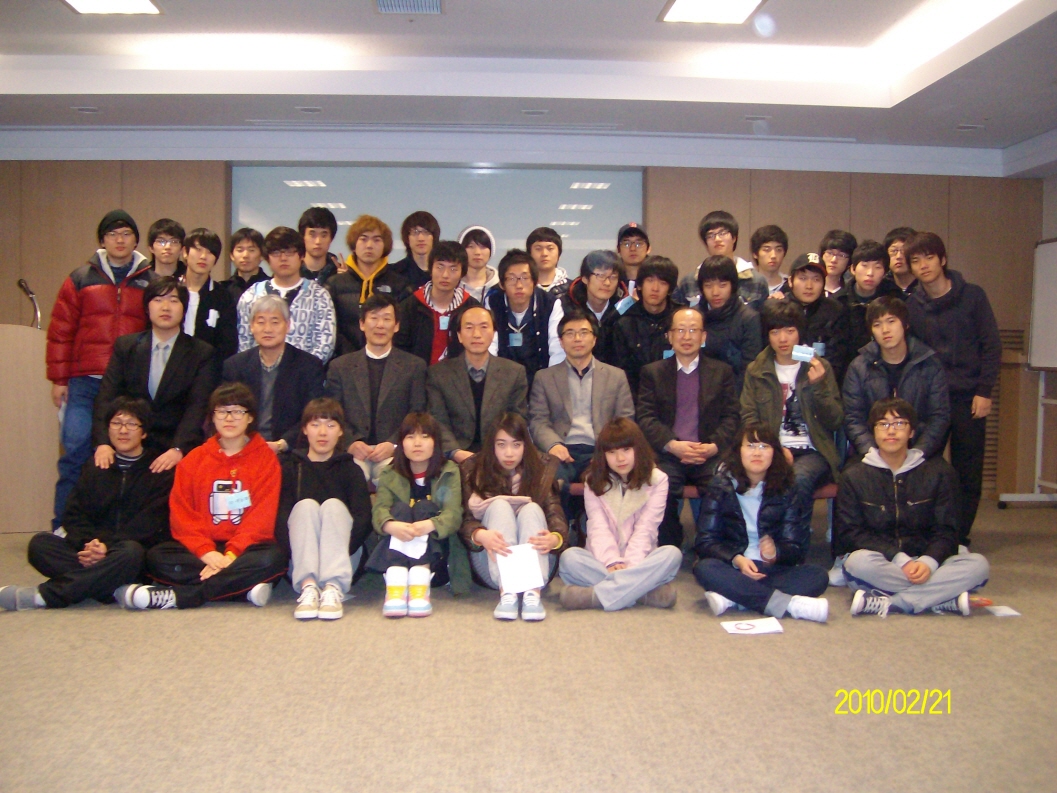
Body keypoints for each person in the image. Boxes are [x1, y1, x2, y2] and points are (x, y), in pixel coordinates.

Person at [0, 398, 173, 611]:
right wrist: (90, 545)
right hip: (92, 549)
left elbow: (149, 524)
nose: (123, 430)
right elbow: (73, 516)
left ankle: (44, 596)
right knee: (40, 544)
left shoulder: (159, 469)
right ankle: (111, 588)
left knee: (131, 553)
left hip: (128, 553)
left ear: (144, 432)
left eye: (131, 424)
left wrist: (107, 548)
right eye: (116, 423)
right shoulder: (95, 466)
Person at [129, 383, 287, 609]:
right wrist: (207, 554)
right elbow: (182, 515)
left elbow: (261, 517)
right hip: (202, 549)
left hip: (244, 550)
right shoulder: (194, 460)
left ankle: (179, 596)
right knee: (157, 557)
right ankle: (241, 590)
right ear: (212, 417)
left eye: (237, 411)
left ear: (250, 417)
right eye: (222, 411)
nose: (229, 418)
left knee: (273, 558)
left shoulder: (265, 460)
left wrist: (230, 556)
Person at [47, 209, 156, 531]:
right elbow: (61, 331)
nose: (119, 240)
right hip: (85, 381)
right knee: (75, 450)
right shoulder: (81, 278)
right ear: (102, 240)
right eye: (112, 234)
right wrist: (59, 379)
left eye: (126, 234)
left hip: (127, 385)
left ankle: (110, 527)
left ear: (136, 240)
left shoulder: (149, 281)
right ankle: (62, 526)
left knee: (125, 454)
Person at [838, 398, 990, 617]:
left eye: (899, 423)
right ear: (873, 432)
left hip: (929, 559)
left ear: (912, 432)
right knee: (857, 563)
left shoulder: (939, 473)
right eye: (883, 424)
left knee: (978, 565)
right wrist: (900, 560)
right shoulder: (853, 476)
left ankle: (896, 602)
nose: (891, 431)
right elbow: (851, 533)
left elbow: (948, 530)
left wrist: (929, 562)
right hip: (885, 562)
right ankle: (941, 598)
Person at [906, 231, 1001, 547]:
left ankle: (959, 536)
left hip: (969, 396)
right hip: (929, 398)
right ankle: (928, 532)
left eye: (929, 257)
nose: (923, 265)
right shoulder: (912, 306)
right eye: (916, 260)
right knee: (923, 465)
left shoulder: (972, 296)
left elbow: (991, 345)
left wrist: (984, 390)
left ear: (943, 259)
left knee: (967, 469)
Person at [692, 424, 829, 622]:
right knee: (704, 568)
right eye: (750, 446)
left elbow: (795, 548)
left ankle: (733, 598)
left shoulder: (788, 488)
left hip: (770, 570)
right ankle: (789, 605)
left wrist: (775, 553)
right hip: (734, 567)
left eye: (764, 446)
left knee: (817, 576)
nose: (757, 453)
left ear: (775, 453)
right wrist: (736, 559)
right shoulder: (720, 485)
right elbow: (705, 542)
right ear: (738, 451)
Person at [742, 300, 844, 550]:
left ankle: (791, 549)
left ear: (800, 332)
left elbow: (835, 420)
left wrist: (818, 387)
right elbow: (749, 418)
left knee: (797, 479)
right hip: (770, 448)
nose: (783, 338)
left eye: (790, 330)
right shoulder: (756, 370)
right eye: (775, 331)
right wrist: (775, 449)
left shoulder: (818, 366)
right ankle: (759, 543)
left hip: (812, 451)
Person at [637, 308, 740, 548]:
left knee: (720, 485)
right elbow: (646, 417)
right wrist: (672, 445)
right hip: (669, 453)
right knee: (660, 485)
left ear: (703, 337)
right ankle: (670, 546)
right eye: (680, 330)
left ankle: (711, 546)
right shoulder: (652, 372)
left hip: (708, 453)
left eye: (693, 330)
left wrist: (713, 446)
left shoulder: (722, 372)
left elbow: (731, 417)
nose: (686, 336)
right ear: (669, 336)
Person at [92, 277, 216, 474]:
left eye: (173, 300)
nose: (165, 307)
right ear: (147, 307)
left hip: (174, 443)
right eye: (158, 300)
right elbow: (106, 397)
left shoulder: (201, 353)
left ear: (184, 309)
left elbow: (197, 406)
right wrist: (103, 443)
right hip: (130, 442)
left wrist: (178, 448)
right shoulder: (126, 347)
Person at [557, 418, 682, 611]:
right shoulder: (593, 481)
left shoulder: (658, 480)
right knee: (569, 558)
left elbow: (647, 528)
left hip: (641, 559)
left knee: (672, 555)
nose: (620, 458)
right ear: (603, 455)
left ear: (638, 449)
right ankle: (643, 593)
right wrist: (612, 561)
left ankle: (595, 597)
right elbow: (597, 527)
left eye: (626, 449)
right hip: (603, 560)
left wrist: (630, 565)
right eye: (612, 452)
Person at [459, 413, 567, 621]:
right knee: (499, 505)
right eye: (501, 445)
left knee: (531, 509)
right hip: (490, 561)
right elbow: (464, 520)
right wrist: (480, 535)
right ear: (492, 446)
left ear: (525, 446)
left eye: (516, 445)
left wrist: (555, 539)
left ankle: (532, 594)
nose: (509, 453)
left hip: (539, 563)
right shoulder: (473, 469)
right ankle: (507, 592)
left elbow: (556, 516)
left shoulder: (541, 468)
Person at [277, 399, 372, 621]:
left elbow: (363, 519)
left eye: (330, 425)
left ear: (341, 431)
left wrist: (334, 552)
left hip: (343, 558)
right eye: (315, 424)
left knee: (333, 506)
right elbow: (280, 519)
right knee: (305, 506)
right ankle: (308, 587)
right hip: (300, 561)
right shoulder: (291, 467)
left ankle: (333, 588)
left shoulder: (351, 469)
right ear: (304, 429)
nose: (322, 432)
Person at [325, 292, 428, 485]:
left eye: (387, 319)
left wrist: (394, 444)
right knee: (351, 479)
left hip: (395, 452)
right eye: (374, 318)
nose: (380, 325)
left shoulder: (414, 366)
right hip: (353, 452)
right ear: (362, 324)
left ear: (396, 326)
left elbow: (417, 412)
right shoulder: (340, 367)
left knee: (392, 481)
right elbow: (332, 413)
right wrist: (350, 442)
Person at [367, 412, 463, 618]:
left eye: (425, 436)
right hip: (399, 548)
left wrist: (428, 525)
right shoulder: (390, 473)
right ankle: (396, 587)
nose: (417, 443)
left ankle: (420, 584)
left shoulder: (449, 470)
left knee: (423, 508)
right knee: (400, 511)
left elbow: (454, 515)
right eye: (410, 437)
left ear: (436, 442)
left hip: (437, 558)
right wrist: (391, 525)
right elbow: (379, 510)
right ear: (401, 443)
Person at [530, 308, 635, 489]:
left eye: (584, 333)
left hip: (601, 449)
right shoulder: (544, 377)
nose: (577, 339)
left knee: (603, 483)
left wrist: (607, 450)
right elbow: (538, 421)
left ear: (594, 339)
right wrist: (553, 445)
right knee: (552, 483)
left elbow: (625, 420)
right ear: (561, 341)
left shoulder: (616, 376)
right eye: (570, 333)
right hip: (560, 449)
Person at [843, 296, 949, 460]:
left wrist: (919, 452)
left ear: (905, 325)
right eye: (877, 324)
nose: (885, 330)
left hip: (920, 453)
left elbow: (939, 417)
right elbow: (853, 418)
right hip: (872, 453)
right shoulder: (859, 367)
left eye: (891, 321)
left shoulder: (930, 365)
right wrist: (871, 452)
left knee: (944, 474)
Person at [222, 294, 325, 454]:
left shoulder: (309, 366)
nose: (267, 329)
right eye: (261, 322)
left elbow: (312, 414)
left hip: (292, 451)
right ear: (251, 326)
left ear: (288, 325)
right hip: (243, 447)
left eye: (275, 322)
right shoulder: (235, 366)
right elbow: (227, 412)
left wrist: (282, 444)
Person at [427, 306, 529, 463]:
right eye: (469, 328)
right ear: (459, 336)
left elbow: (517, 419)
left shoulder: (514, 373)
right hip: (453, 457)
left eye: (483, 327)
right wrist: (455, 452)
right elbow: (437, 420)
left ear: (494, 333)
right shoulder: (439, 374)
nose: (476, 334)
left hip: (500, 455)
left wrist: (499, 451)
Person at [236, 226, 336, 363]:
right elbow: (244, 342)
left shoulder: (319, 296)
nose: (283, 258)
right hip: (258, 373)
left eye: (289, 252)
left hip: (305, 373)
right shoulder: (251, 295)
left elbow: (325, 344)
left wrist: (301, 370)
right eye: (276, 253)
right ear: (267, 258)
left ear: (301, 256)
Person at [327, 214, 411, 355]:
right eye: (363, 239)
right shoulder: (334, 284)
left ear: (385, 245)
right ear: (354, 244)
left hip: (389, 361)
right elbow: (330, 330)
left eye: (376, 240)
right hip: (343, 361)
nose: (369, 245)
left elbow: (404, 331)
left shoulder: (401, 285)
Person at [602, 255, 680, 399]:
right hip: (635, 398)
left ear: (670, 289)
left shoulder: (681, 319)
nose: (655, 288)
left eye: (662, 282)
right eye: (650, 280)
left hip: (677, 396)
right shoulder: (625, 323)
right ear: (639, 285)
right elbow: (620, 373)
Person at [395, 240, 480, 366]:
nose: (445, 275)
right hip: (417, 375)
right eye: (440, 267)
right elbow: (399, 352)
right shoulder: (409, 306)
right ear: (430, 269)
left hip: (460, 376)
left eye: (453, 269)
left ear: (462, 273)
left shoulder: (472, 307)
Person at [484, 248, 555, 389]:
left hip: (542, 379)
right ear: (502, 284)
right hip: (502, 380)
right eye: (511, 279)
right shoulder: (493, 303)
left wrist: (549, 386)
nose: (519, 286)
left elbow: (556, 348)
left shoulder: (550, 304)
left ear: (535, 281)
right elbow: (490, 345)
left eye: (525, 278)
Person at [779, 252, 852, 385]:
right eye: (803, 278)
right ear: (790, 281)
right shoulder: (779, 310)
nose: (809, 286)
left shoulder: (835, 311)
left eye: (816, 279)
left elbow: (836, 358)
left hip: (822, 381)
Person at [696, 255, 763, 394]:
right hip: (697, 392)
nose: (715, 292)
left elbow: (749, 369)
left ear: (733, 286)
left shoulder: (748, 319)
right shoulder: (694, 317)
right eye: (708, 286)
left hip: (735, 395)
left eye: (722, 285)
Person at [547, 250, 627, 366]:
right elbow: (557, 352)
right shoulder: (565, 305)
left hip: (614, 374)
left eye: (613, 277)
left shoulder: (624, 307)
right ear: (585, 278)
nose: (607, 283)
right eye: (600, 276)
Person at [675, 210, 768, 309]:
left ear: (734, 238)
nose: (717, 239)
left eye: (722, 233)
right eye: (710, 235)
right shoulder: (690, 281)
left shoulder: (756, 281)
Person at [180, 227, 238, 362]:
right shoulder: (170, 290)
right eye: (198, 249)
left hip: (207, 368)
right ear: (185, 252)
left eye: (210, 252)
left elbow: (228, 345)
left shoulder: (223, 297)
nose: (203, 256)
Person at [840, 239, 900, 353]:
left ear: (885, 272)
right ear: (853, 269)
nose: (870, 273)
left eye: (877, 267)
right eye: (864, 266)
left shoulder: (894, 298)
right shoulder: (839, 301)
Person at [390, 210, 440, 289]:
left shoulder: (444, 274)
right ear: (407, 238)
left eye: (426, 232)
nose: (420, 238)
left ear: (434, 237)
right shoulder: (394, 273)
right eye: (415, 232)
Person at [298, 206, 342, 284]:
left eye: (324, 235)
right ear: (302, 236)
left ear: (331, 238)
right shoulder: (291, 272)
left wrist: (346, 282)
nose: (318, 241)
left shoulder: (340, 273)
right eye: (312, 235)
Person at [226, 227, 269, 302]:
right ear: (232, 255)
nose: (245, 255)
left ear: (262, 255)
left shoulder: (271, 287)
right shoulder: (224, 289)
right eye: (240, 250)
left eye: (251, 250)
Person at [458, 225, 499, 303]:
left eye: (483, 247)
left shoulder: (500, 286)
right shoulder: (452, 286)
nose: (477, 252)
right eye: (471, 246)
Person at [526, 226, 568, 295]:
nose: (544, 254)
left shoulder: (573, 290)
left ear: (559, 254)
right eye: (538, 249)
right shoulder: (521, 288)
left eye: (550, 248)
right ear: (529, 254)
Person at [750, 224, 788, 297]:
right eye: (766, 250)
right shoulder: (745, 285)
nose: (773, 255)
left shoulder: (790, 287)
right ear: (755, 254)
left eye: (778, 250)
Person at [819, 229, 858, 299]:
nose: (833, 260)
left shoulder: (851, 294)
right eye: (830, 253)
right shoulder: (811, 290)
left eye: (841, 255)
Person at [616, 222, 651, 296]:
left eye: (638, 244)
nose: (632, 248)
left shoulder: (659, 277)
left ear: (648, 248)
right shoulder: (612, 280)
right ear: (618, 249)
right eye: (626, 244)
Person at [883, 226, 918, 298]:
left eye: (904, 250)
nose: (899, 256)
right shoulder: (881, 288)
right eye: (894, 251)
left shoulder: (926, 286)